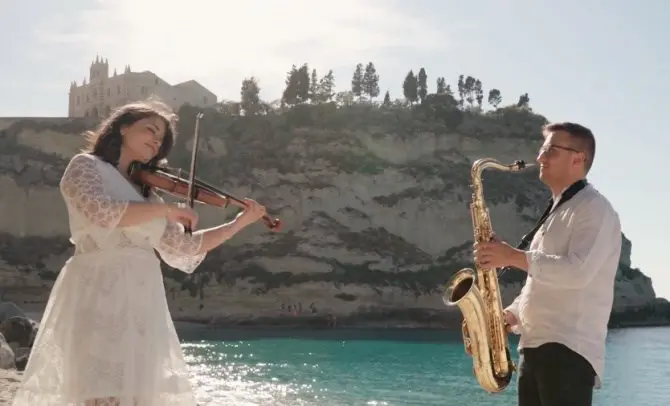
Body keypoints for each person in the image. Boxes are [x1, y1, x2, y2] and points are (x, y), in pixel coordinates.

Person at [12, 100, 267, 406]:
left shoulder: (148, 193)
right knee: (99, 392)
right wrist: (167, 209)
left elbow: (184, 248)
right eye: (150, 129)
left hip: (144, 301)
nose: (157, 141)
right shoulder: (86, 166)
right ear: (121, 127)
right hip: (99, 289)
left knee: (136, 396)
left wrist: (240, 223)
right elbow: (100, 212)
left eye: (162, 139)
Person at [473, 122, 622, 406]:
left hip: (567, 350)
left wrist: (512, 256)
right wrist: (511, 315)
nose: (540, 157)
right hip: (535, 347)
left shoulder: (595, 208)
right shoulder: (559, 210)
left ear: (579, 158)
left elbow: (578, 272)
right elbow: (541, 281)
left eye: (551, 150)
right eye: (543, 149)